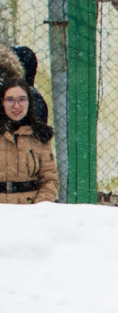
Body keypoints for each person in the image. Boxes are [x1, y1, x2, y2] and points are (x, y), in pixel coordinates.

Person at [1, 51, 56, 204]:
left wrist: (37, 210)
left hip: (29, 207)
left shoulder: (37, 135)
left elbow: (49, 179)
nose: (16, 105)